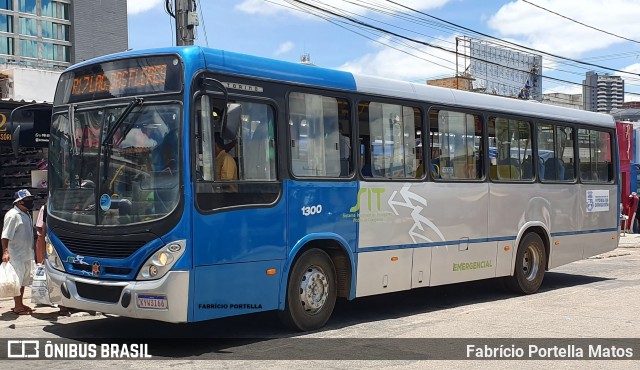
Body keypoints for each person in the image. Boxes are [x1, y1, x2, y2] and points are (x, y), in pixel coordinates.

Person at [1, 189, 36, 315]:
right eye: (27, 200)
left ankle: (20, 303)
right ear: (19, 201)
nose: (30, 202)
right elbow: (5, 236)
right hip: (16, 255)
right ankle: (17, 306)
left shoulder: (26, 214)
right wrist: (5, 251)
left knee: (23, 282)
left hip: (26, 254)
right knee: (17, 281)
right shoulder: (12, 215)